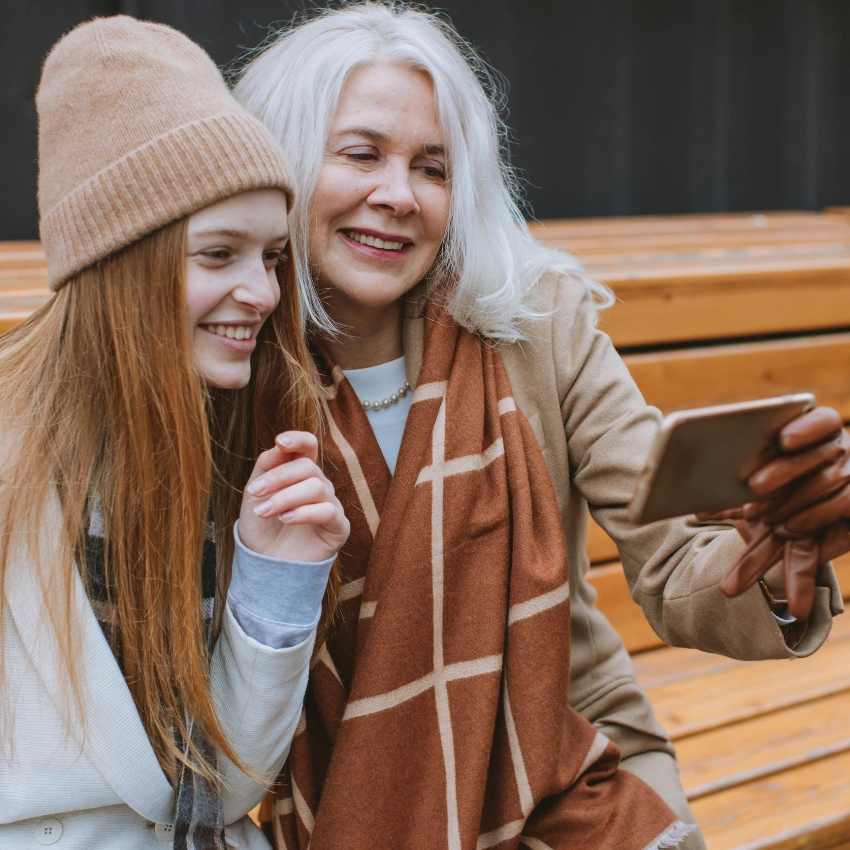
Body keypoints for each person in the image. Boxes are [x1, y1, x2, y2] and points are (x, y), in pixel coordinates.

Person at [235, 4, 846, 848]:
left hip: (572, 772)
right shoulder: (229, 359)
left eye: (433, 168)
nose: (397, 196)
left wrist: (773, 558)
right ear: (283, 160)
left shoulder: (535, 322)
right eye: (361, 154)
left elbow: (674, 563)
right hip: (321, 800)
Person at [0, 17, 349, 850]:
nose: (262, 293)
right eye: (218, 253)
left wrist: (276, 579)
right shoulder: (16, 460)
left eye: (269, 256)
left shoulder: (241, 436)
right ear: (120, 262)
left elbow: (227, 788)